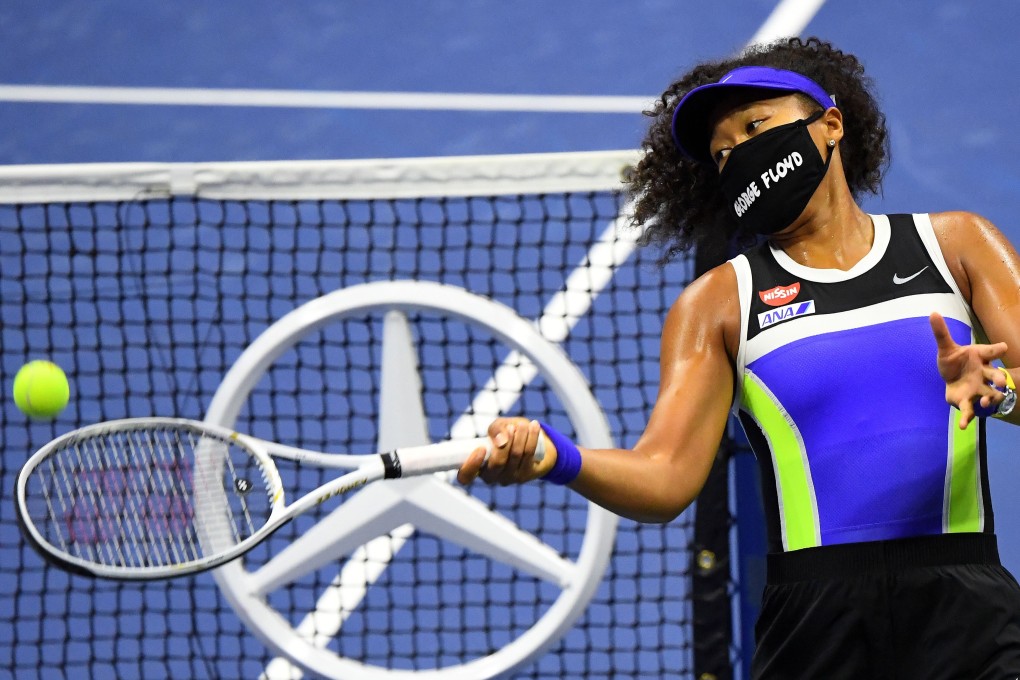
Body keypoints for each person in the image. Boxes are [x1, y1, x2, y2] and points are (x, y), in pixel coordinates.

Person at [458, 36, 1020, 678]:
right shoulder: (717, 305)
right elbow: (665, 477)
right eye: (725, 152)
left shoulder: (955, 244)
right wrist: (558, 457)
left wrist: (999, 389)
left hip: (968, 609)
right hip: (815, 624)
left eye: (757, 127)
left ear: (830, 125)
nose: (744, 155)